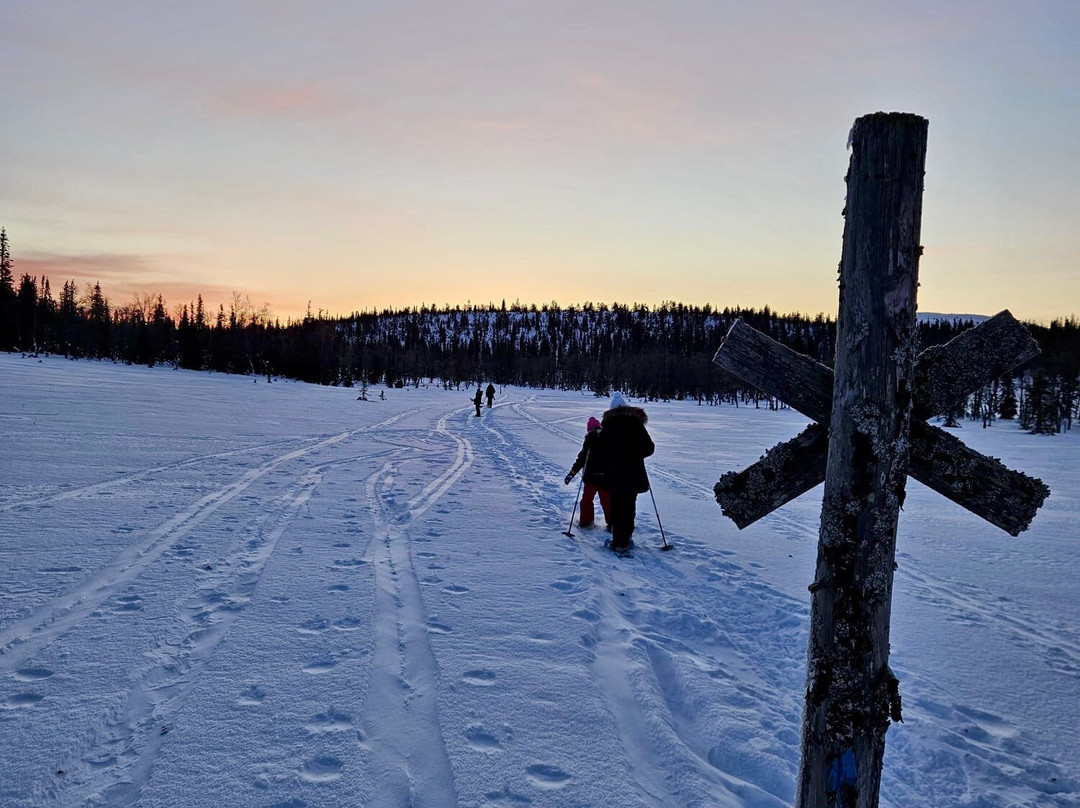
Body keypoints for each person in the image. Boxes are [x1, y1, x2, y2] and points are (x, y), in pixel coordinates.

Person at [598, 391, 654, 552]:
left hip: (614, 473)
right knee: (630, 505)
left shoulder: (608, 426)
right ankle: (626, 538)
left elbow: (601, 450)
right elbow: (649, 448)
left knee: (616, 504)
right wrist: (636, 454)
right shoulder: (636, 424)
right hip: (633, 473)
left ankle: (618, 541)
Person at [564, 416, 611, 529]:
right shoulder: (608, 438)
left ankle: (586, 522)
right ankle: (613, 524)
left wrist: (572, 473)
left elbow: (582, 459)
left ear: (590, 429)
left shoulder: (590, 440)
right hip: (606, 477)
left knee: (587, 500)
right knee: (607, 501)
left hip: (591, 477)